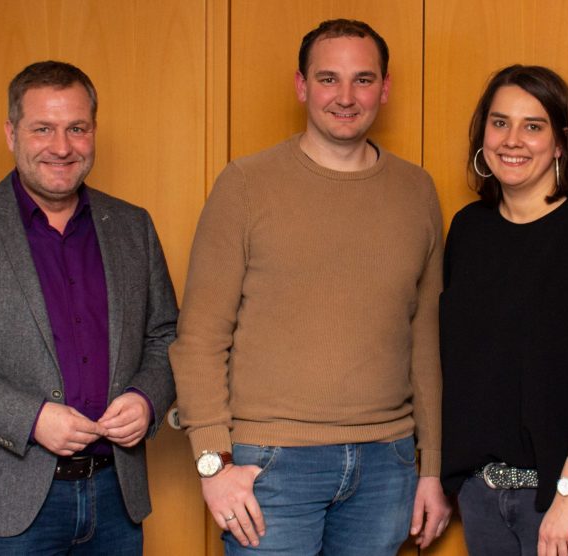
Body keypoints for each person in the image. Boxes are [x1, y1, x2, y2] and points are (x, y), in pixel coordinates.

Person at [169, 18, 451, 555]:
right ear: (302, 86)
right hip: (271, 463)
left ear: (385, 88)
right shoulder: (246, 185)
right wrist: (212, 463)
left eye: (363, 80)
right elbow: (200, 336)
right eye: (328, 79)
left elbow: (426, 343)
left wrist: (431, 468)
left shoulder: (417, 191)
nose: (346, 97)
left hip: (388, 465)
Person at [0, 61, 178, 554]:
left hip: (116, 497)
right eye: (42, 129)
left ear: (94, 131)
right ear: (11, 133)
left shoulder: (134, 227)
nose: (62, 147)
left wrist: (147, 397)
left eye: (77, 129)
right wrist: (30, 417)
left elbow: (166, 336)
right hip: (5, 505)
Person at [440, 64, 568, 556]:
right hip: (484, 497)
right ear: (482, 134)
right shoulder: (468, 230)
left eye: (533, 126)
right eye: (499, 122)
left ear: (560, 143)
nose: (513, 140)